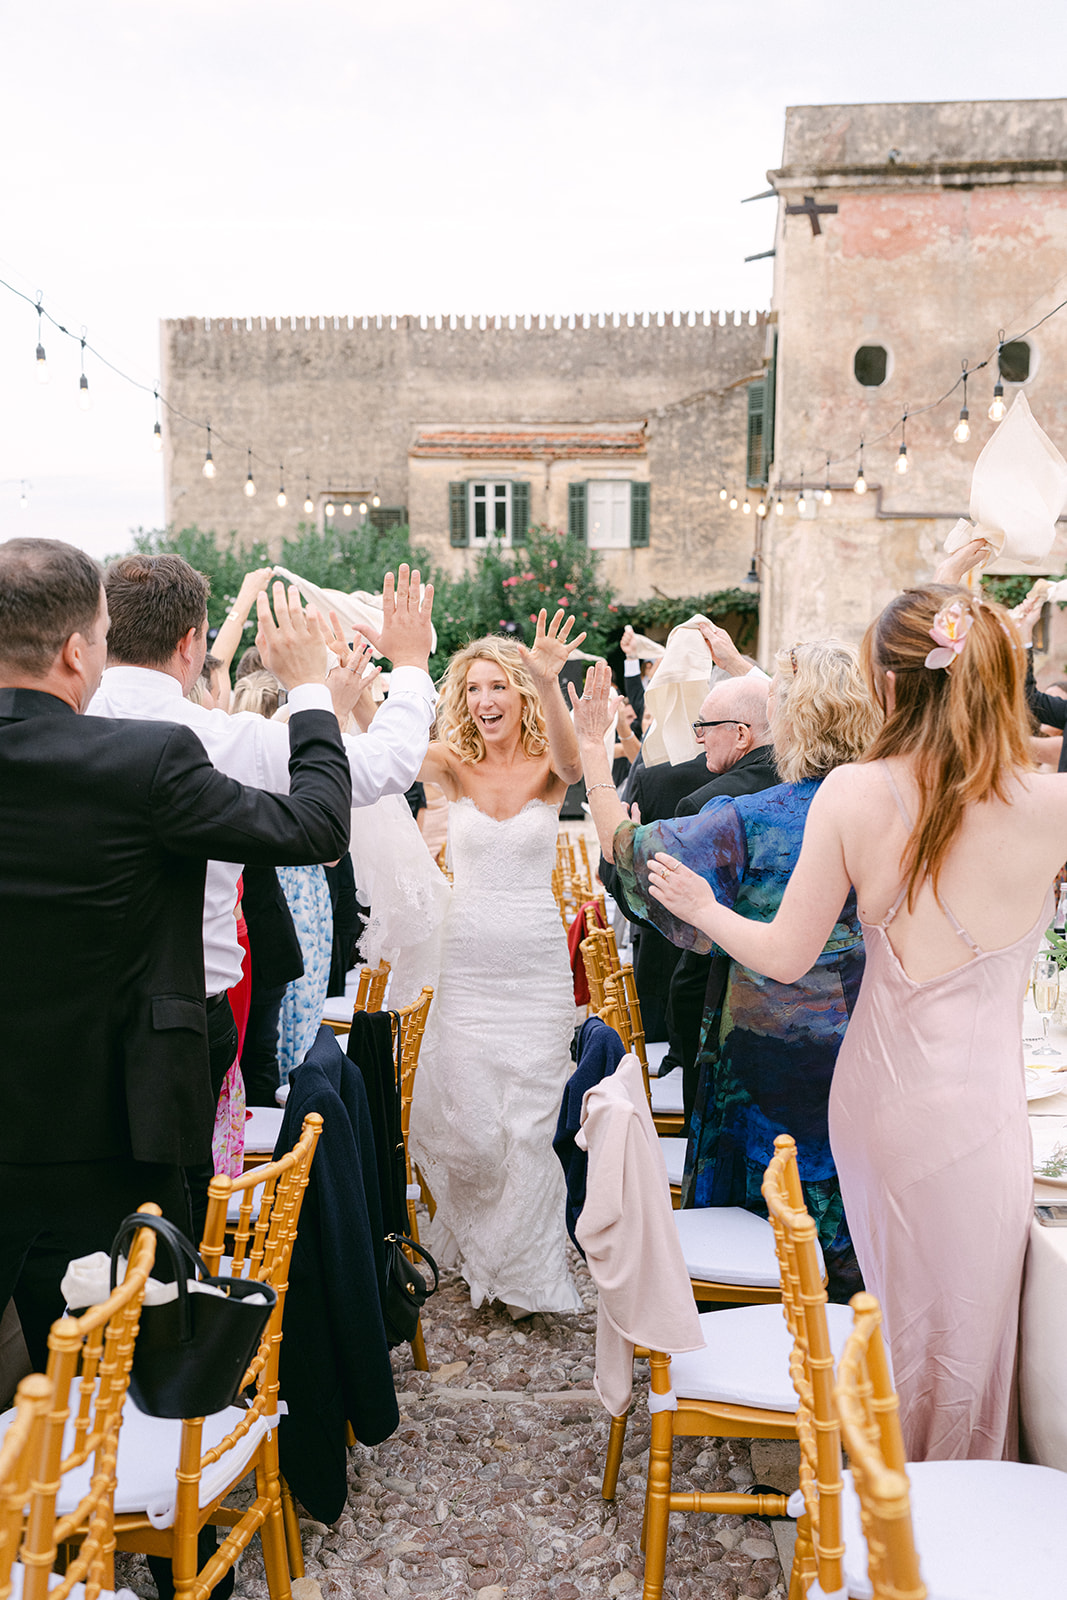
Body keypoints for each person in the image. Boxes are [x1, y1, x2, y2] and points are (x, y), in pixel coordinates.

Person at [629, 582, 1060, 1462]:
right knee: (969, 1320)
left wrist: (703, 909)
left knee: (889, 1309)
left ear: (887, 687)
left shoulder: (855, 793)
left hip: (877, 1105)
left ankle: (877, 1492)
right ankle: (951, 1492)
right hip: (984, 1115)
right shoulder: (1049, 802)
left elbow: (784, 955)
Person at [0, 538, 352, 1367]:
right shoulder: (146, 761)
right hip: (119, 1115)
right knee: (128, 1349)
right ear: (75, 651)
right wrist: (310, 693)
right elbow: (316, 826)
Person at [575, 644, 879, 1301]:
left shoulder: (758, 817)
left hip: (767, 1053)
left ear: (789, 725)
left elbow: (626, 851)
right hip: (868, 1040)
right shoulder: (894, 808)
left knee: (763, 1197)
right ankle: (848, 1328)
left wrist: (593, 754)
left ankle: (764, 1318)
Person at [89, 555, 435, 1110]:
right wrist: (411, 664)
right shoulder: (227, 741)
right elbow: (386, 765)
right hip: (185, 1023)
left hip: (69, 1016)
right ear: (190, 643)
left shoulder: (62, 724)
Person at [407, 610, 587, 1317]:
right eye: (474, 689)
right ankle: (484, 1243)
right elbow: (385, 756)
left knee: (530, 1128)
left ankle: (527, 1277)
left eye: (498, 687)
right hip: (465, 969)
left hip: (536, 971)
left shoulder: (548, 768)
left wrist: (547, 680)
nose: (484, 700)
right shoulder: (451, 764)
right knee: (476, 1128)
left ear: (519, 694)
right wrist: (365, 693)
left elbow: (575, 766)